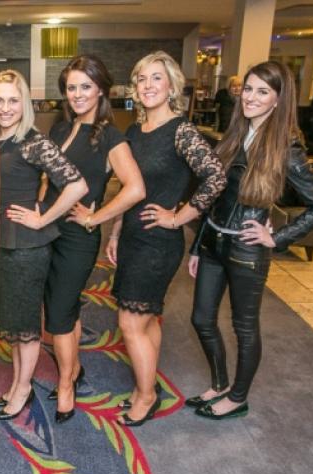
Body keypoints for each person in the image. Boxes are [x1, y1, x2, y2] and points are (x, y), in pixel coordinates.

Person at [187, 61, 313, 420]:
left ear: (278, 100)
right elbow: (215, 197)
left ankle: (237, 397)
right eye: (247, 89)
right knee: (202, 319)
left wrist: (276, 237)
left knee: (244, 327)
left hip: (246, 249)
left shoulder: (286, 147)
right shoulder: (235, 135)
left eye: (262, 91)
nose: (250, 97)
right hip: (213, 242)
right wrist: (196, 245)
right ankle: (220, 383)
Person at [108, 51, 226, 427]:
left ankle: (145, 396)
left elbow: (216, 178)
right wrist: (115, 230)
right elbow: (129, 188)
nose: (147, 86)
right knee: (147, 320)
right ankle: (148, 385)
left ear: (172, 86)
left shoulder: (182, 131)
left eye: (156, 78)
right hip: (131, 236)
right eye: (141, 79)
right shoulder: (132, 131)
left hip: (158, 243)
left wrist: (178, 217)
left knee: (129, 323)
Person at [42, 54, 146, 424]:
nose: (77, 94)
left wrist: (94, 217)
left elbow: (135, 189)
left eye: (85, 86)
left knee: (58, 314)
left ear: (101, 89)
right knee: (61, 308)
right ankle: (74, 370)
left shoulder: (111, 137)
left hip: (77, 239)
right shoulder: (59, 129)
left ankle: (67, 385)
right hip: (50, 230)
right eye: (71, 87)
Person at [0, 70, 88, 420]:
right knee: (14, 324)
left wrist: (43, 218)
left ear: (25, 103)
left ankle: (23, 388)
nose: (5, 107)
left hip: (27, 247)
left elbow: (76, 186)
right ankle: (17, 383)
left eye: (13, 100)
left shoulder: (34, 141)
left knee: (26, 326)